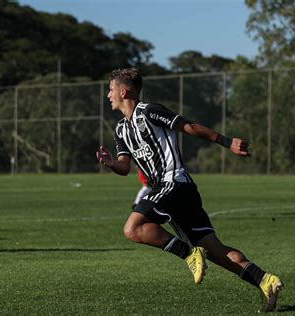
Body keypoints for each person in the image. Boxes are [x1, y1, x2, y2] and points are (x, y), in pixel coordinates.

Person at [96, 68, 282, 312]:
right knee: (216, 251)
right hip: (173, 191)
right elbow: (124, 166)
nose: (108, 95)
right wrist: (111, 164)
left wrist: (226, 142)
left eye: (110, 89)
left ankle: (188, 254)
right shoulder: (121, 129)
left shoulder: (150, 111)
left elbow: (189, 126)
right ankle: (265, 280)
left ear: (124, 91)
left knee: (132, 229)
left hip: (174, 182)